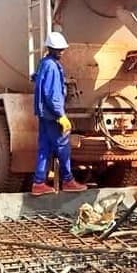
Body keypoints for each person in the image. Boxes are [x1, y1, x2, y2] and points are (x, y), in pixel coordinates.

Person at [30, 32, 88, 196]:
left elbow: (37, 80)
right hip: (53, 116)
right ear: (51, 49)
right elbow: (52, 94)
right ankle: (68, 181)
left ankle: (38, 183)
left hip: (44, 115)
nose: (61, 52)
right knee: (63, 147)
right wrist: (60, 115)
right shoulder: (52, 67)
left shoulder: (44, 63)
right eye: (58, 49)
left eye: (62, 49)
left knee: (44, 149)